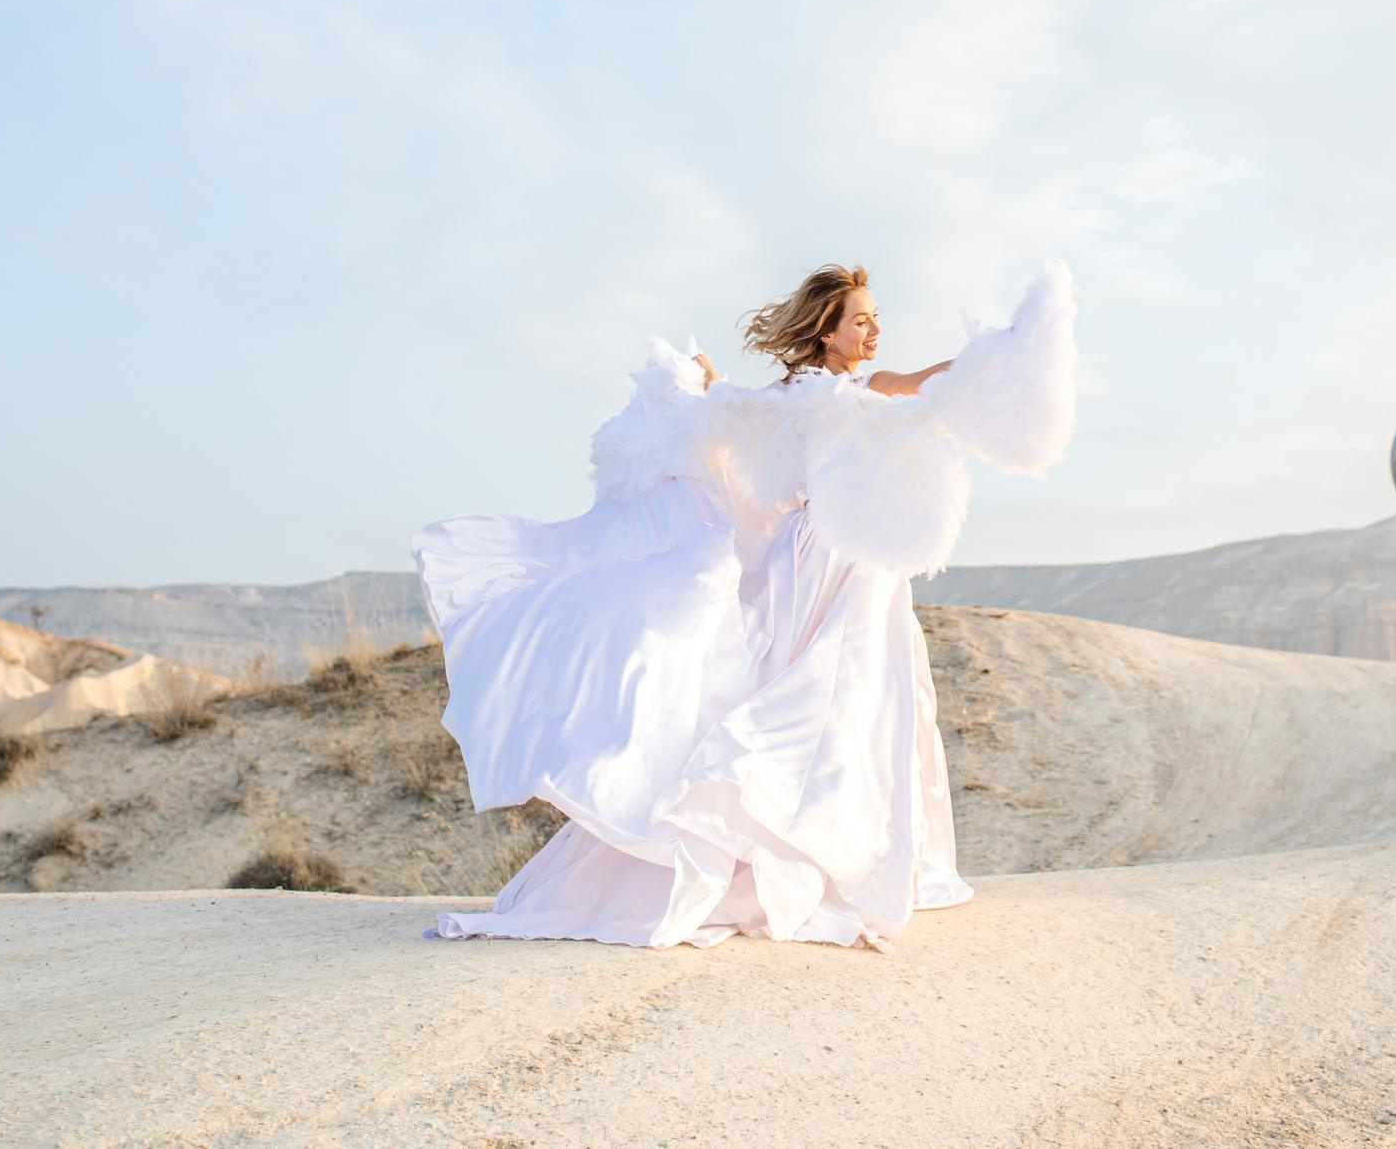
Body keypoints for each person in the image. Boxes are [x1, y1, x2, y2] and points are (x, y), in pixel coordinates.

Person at [412, 259, 1076, 950]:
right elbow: (916, 384)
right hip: (833, 559)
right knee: (839, 699)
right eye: (861, 319)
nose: (875, 329)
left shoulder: (803, 394)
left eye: (876, 317)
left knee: (845, 698)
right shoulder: (853, 388)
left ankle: (817, 854)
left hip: (825, 557)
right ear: (827, 331)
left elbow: (907, 385)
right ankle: (815, 860)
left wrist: (1006, 347)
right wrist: (1007, 347)